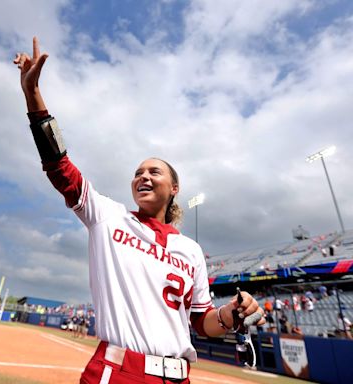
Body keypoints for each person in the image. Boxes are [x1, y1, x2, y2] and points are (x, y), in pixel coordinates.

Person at [14, 37, 264, 384]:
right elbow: (60, 168)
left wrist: (232, 314)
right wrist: (34, 97)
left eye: (153, 171)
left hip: (178, 377)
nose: (142, 176)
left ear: (174, 188)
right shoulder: (108, 216)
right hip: (117, 371)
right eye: (137, 173)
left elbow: (202, 322)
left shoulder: (190, 251)